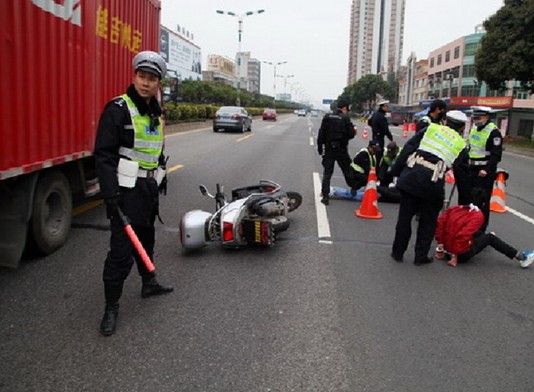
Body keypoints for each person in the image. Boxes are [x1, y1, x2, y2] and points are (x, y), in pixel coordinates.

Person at [94, 50, 174, 336]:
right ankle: (111, 308)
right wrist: (111, 194)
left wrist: (161, 175)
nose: (145, 83)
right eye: (141, 76)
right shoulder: (118, 109)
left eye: (151, 78)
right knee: (120, 252)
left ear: (158, 83)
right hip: (125, 192)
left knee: (147, 239)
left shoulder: (156, 111)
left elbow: (155, 148)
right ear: (134, 77)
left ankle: (148, 283)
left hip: (147, 190)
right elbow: (103, 155)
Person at [390, 110, 469, 265]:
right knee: (428, 222)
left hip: (412, 177)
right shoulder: (461, 145)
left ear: (446, 121)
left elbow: (408, 148)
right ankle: (420, 257)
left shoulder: (430, 129)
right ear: (461, 128)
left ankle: (397, 252)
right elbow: (463, 175)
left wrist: (396, 172)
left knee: (405, 218)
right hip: (433, 184)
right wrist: (466, 203)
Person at [435, 188, 534, 268]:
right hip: (459, 254)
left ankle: (483, 239)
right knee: (490, 238)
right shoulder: (478, 215)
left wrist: (440, 247)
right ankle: (521, 257)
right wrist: (455, 256)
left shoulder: (454, 209)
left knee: (477, 233)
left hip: (445, 249)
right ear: (483, 203)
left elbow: (440, 224)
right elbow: (463, 235)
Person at [466, 106, 503, 232]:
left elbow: (496, 155)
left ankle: (481, 229)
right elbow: (470, 147)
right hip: (472, 168)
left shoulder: (493, 132)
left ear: (487, 117)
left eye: (478, 117)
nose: (476, 120)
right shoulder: (474, 129)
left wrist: (486, 170)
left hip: (484, 172)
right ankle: (470, 225)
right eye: (474, 117)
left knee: (482, 201)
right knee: (471, 199)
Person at [317, 98, 358, 205]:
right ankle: (353, 189)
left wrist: (320, 148)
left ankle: (325, 196)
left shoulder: (327, 117)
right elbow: (351, 134)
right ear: (344, 107)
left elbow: (321, 133)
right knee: (347, 170)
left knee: (327, 173)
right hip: (341, 150)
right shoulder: (345, 118)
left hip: (329, 149)